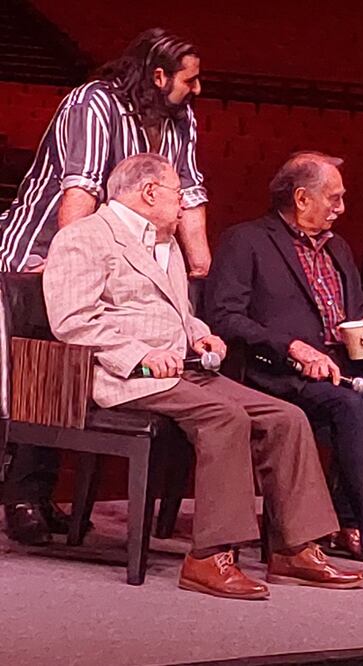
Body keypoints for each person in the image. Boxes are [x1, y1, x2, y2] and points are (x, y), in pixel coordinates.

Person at [41, 154, 361, 599]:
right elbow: (73, 321)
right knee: (224, 416)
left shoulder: (165, 243)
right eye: (180, 194)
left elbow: (176, 312)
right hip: (123, 375)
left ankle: (294, 548)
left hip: (183, 372)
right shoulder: (84, 238)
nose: (185, 204)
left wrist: (200, 335)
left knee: (286, 417)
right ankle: (209, 557)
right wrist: (141, 355)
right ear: (149, 192)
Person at [206, 152, 363, 592]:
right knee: (348, 406)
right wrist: (291, 347)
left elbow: (354, 312)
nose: (342, 208)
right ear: (302, 199)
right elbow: (225, 316)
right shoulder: (245, 241)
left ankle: (341, 509)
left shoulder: (338, 247)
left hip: (344, 365)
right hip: (279, 374)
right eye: (334, 198)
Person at [0, 28, 212, 540]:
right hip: (41, 252)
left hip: (110, 255)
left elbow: (189, 186)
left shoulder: (179, 116)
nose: (198, 89)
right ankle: (22, 495)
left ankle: (44, 493)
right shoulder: (94, 104)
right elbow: (82, 188)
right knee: (45, 378)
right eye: (190, 79)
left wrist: (198, 258)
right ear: (158, 76)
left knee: (77, 380)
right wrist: (72, 264)